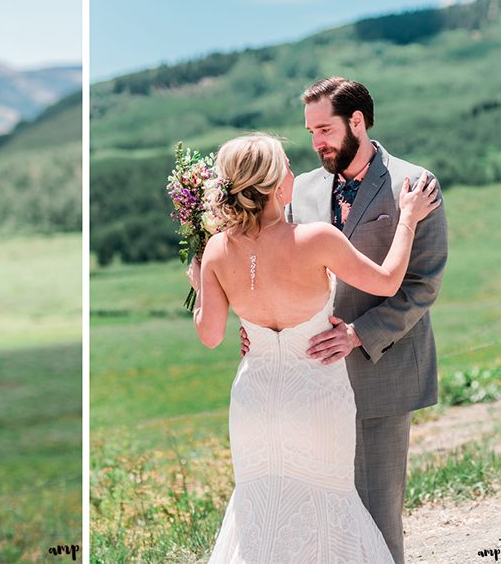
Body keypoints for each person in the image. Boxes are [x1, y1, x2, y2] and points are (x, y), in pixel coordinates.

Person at [187, 132, 440, 563]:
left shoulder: (215, 250)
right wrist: (409, 219)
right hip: (316, 394)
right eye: (286, 164)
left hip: (255, 401)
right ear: (275, 185)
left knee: (260, 507)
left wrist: (199, 283)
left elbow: (210, 335)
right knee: (328, 502)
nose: (293, 172)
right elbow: (389, 281)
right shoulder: (316, 238)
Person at [238, 77, 449, 562]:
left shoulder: (413, 185)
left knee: (376, 520)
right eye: (310, 132)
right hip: (309, 381)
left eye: (325, 129)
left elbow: (423, 284)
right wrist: (254, 328)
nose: (317, 143)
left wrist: (358, 335)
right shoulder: (299, 190)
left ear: (357, 121)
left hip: (382, 372)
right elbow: (269, 263)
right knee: (320, 521)